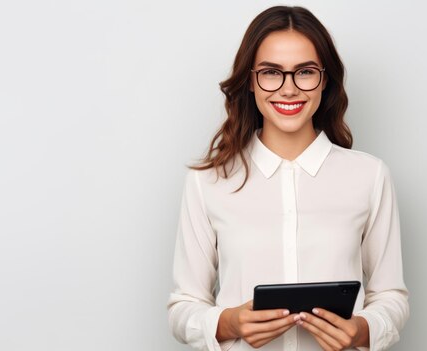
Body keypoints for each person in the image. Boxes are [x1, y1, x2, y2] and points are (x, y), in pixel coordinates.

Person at [167, 6, 409, 351]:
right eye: (271, 72)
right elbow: (183, 306)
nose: (289, 89)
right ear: (250, 80)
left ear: (324, 79)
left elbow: (390, 296)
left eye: (305, 72)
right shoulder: (208, 182)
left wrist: (362, 330)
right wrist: (228, 322)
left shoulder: (370, 176)